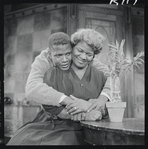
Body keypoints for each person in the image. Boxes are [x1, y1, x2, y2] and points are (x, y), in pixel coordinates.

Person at [7, 29, 110, 145]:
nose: (83, 56)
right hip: (55, 123)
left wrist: (100, 100)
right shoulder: (48, 64)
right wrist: (75, 105)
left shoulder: (97, 70)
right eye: (79, 50)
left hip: (90, 127)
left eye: (88, 54)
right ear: (73, 47)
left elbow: (113, 78)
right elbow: (33, 90)